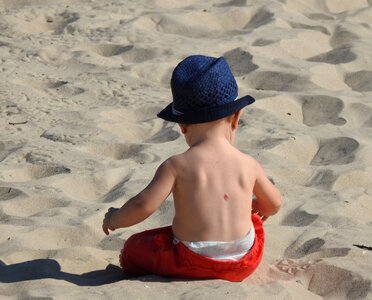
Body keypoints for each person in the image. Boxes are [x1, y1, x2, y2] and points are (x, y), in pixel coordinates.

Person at [102, 55, 282, 282]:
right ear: (236, 118)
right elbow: (274, 204)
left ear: (182, 125)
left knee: (133, 248)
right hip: (244, 262)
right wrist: (253, 205)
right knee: (254, 222)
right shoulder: (248, 163)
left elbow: (143, 205)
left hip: (193, 260)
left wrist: (114, 218)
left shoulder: (176, 166)